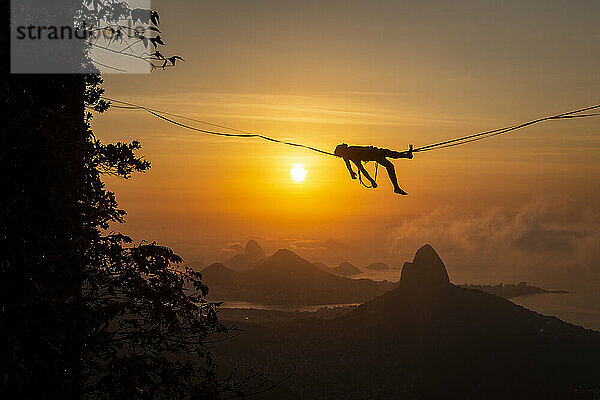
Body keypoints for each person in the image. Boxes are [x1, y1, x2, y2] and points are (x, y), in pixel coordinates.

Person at [334, 143, 413, 195]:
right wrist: (371, 181)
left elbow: (348, 165)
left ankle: (396, 187)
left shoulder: (349, 153)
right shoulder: (351, 155)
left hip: (374, 154)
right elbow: (362, 170)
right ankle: (407, 156)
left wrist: (351, 173)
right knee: (390, 157)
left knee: (390, 164)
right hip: (374, 154)